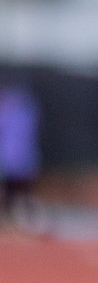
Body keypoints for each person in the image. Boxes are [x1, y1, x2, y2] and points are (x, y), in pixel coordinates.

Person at [0, 80, 40, 227]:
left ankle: (28, 222)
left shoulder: (24, 113)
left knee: (21, 195)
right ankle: (12, 222)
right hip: (13, 163)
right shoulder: (24, 113)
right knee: (12, 195)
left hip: (20, 163)